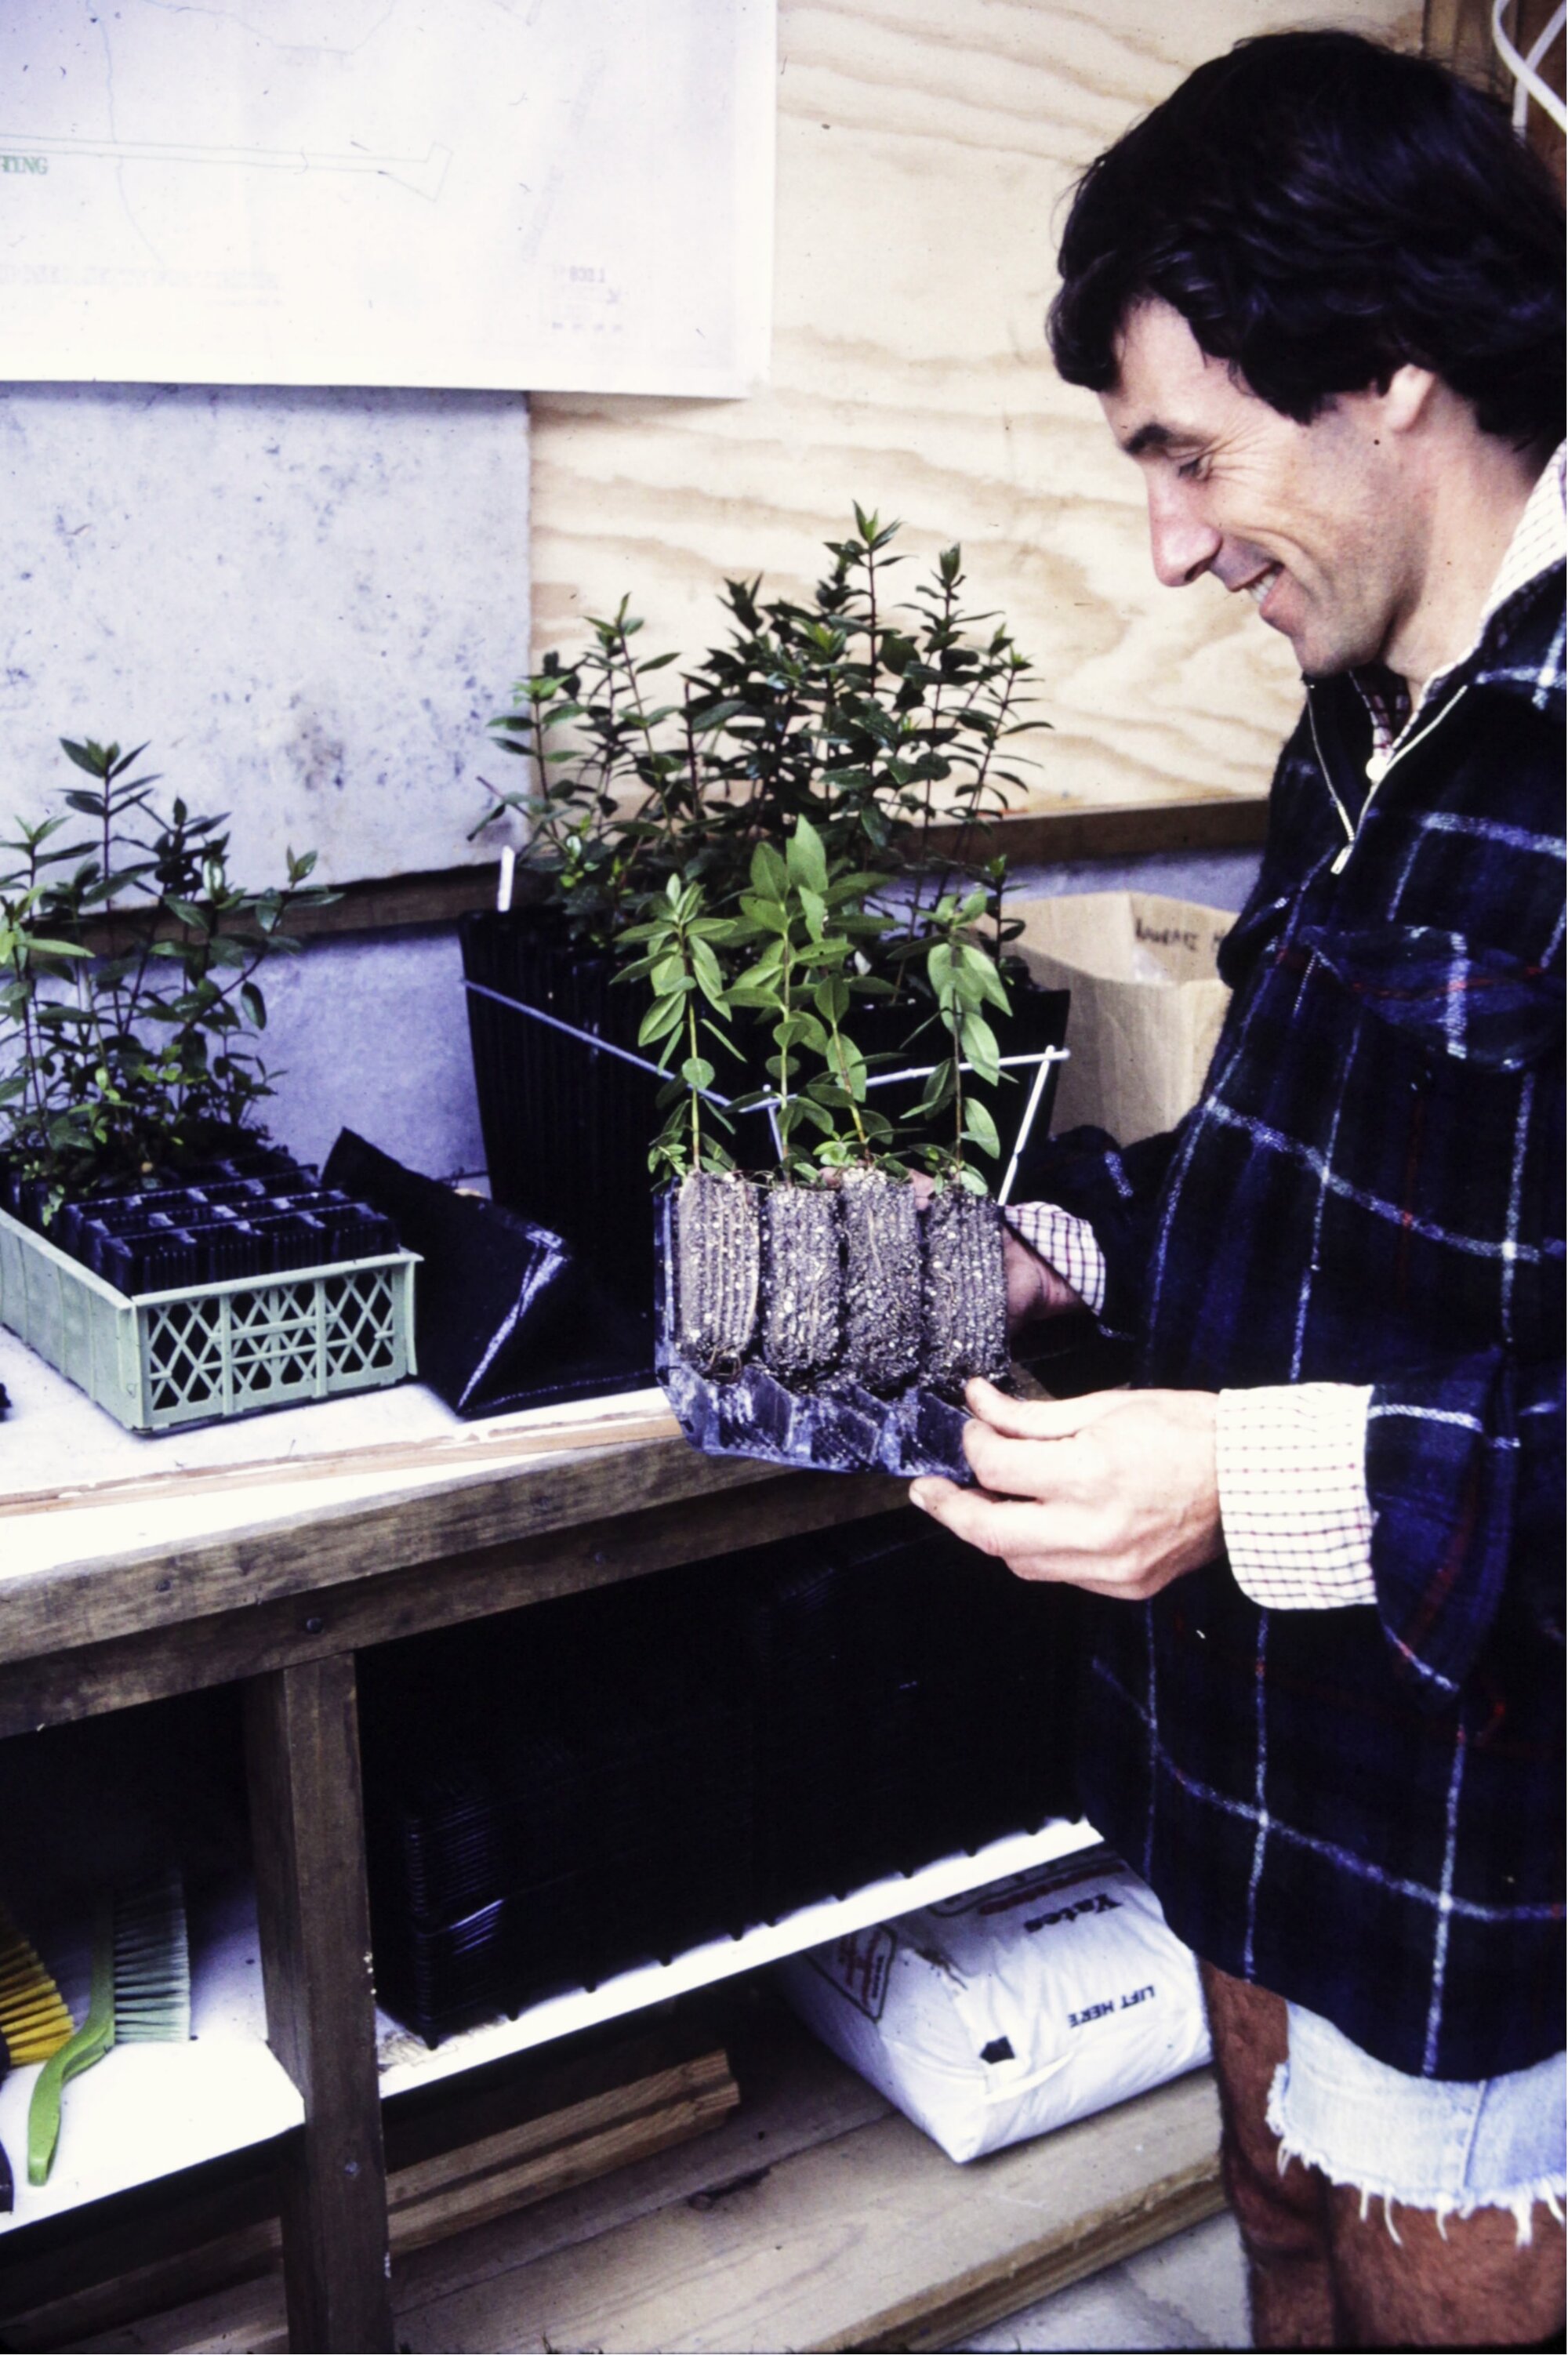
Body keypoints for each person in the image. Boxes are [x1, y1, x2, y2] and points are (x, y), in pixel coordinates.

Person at [909, 31, 1565, 2351]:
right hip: (1273, 1777)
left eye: (1189, 453)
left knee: (1427, 2303)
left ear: (1393, 373)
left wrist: (1237, 1474)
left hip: (1498, 1871)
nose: (1169, 545)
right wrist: (1071, 1238)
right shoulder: (1369, 703)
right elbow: (1314, 1177)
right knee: (1283, 2245)